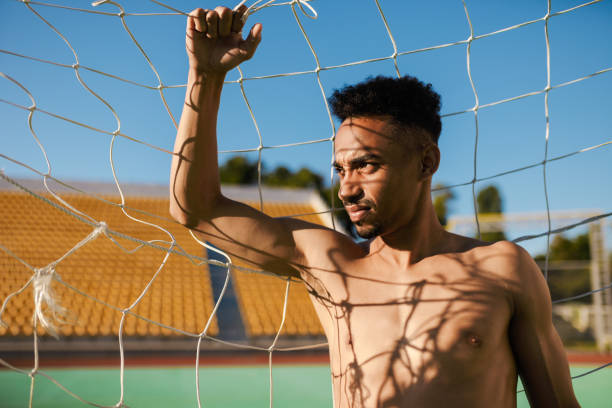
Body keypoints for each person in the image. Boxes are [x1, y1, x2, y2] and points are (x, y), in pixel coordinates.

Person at [170, 5, 580, 407]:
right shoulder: (329, 263)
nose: (346, 188)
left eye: (366, 165)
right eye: (340, 169)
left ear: (426, 161)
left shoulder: (503, 268)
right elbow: (196, 209)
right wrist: (205, 76)